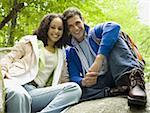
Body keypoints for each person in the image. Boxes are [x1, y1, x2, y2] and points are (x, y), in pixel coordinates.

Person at [63, 7, 147, 107]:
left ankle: (133, 82)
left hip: (117, 71)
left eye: (77, 23)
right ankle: (113, 91)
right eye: (71, 26)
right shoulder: (70, 51)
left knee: (114, 36)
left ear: (83, 21)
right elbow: (74, 76)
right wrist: (84, 82)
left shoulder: (95, 33)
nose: (76, 28)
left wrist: (99, 59)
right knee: (76, 92)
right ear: (68, 29)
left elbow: (114, 26)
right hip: (100, 81)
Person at [0, 13, 82, 113]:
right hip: (16, 82)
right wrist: (2, 73)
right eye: (53, 27)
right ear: (46, 27)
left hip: (35, 92)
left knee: (74, 89)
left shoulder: (61, 53)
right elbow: (9, 58)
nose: (56, 31)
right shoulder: (29, 41)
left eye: (60, 29)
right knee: (20, 95)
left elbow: (64, 79)